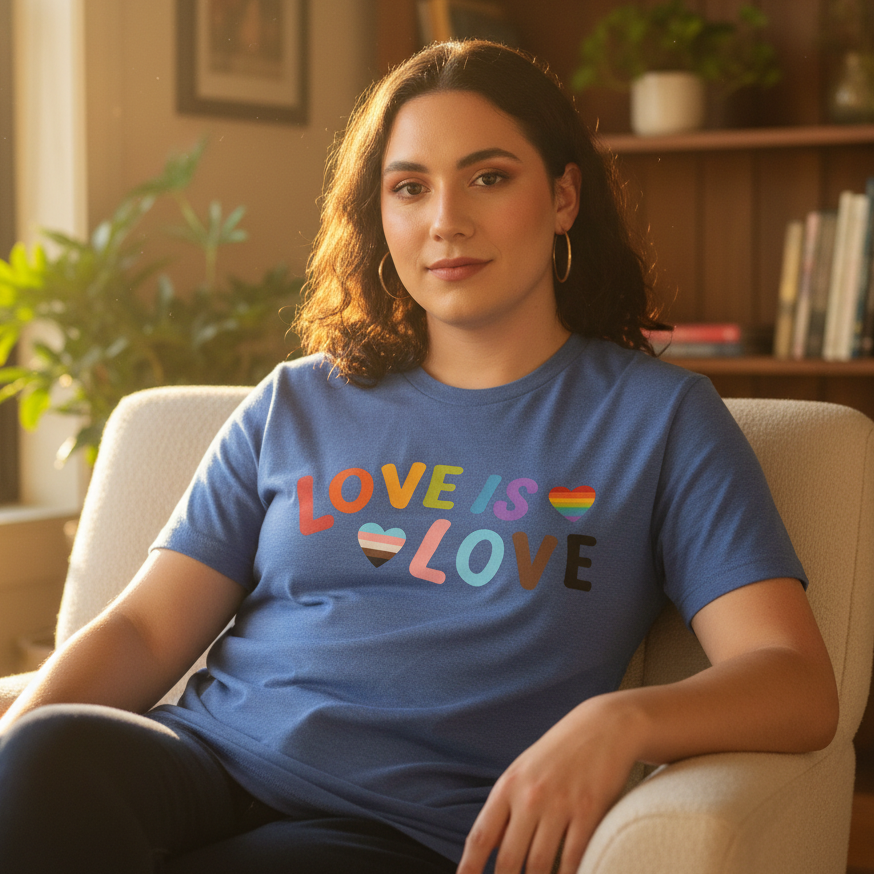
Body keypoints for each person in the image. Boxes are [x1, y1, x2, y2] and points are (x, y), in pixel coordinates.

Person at [0, 40, 838, 874]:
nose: (446, 221)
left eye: (489, 176)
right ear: (382, 215)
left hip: (402, 829)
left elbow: (794, 681)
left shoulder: (656, 420)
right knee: (42, 760)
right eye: (410, 187)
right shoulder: (297, 400)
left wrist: (622, 722)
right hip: (202, 760)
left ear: (563, 196)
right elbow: (147, 630)